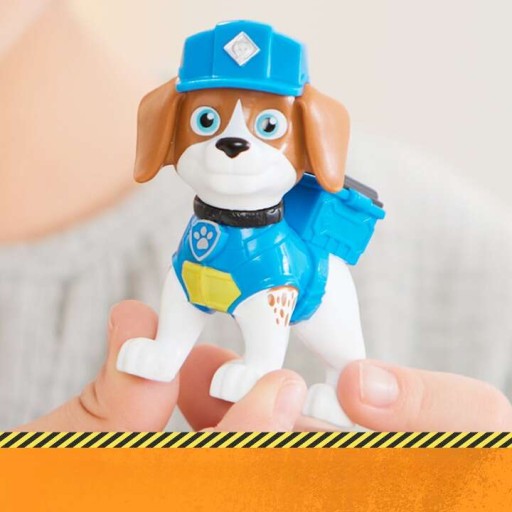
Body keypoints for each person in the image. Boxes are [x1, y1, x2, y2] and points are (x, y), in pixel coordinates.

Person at [2, 2, 512, 432]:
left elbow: (272, 306)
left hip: (294, 284)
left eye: (267, 126)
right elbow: (184, 291)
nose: (231, 142)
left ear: (313, 138)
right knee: (184, 290)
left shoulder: (474, 269)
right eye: (207, 120)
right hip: (208, 251)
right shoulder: (196, 231)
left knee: (337, 347)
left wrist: (261, 367)